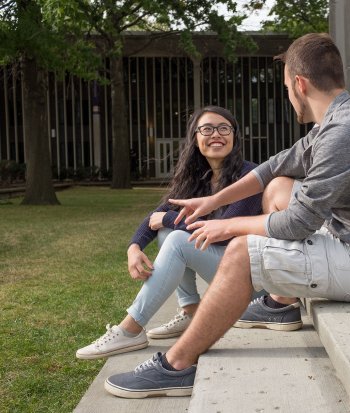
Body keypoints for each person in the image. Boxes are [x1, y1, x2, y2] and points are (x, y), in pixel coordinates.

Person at [103, 33, 350, 398]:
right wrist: (212, 202)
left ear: (299, 84)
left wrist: (225, 224)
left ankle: (177, 366)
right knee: (279, 185)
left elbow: (297, 224)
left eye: (287, 87)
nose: (288, 96)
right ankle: (280, 301)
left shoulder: (345, 133)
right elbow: (275, 167)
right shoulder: (337, 123)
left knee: (241, 252)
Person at [76, 105, 263, 359]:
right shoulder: (199, 179)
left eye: (223, 128)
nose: (216, 134)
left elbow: (225, 232)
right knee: (167, 234)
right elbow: (155, 217)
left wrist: (169, 218)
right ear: (196, 139)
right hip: (228, 267)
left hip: (251, 284)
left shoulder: (250, 176)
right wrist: (134, 247)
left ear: (235, 136)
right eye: (207, 129)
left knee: (175, 237)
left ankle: (130, 330)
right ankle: (191, 311)